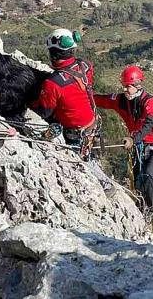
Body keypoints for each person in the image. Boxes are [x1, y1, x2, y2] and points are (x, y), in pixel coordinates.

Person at [31, 28, 112, 190]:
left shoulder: (52, 83)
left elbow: (44, 112)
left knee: (84, 161)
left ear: (54, 54)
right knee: (89, 153)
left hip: (75, 132)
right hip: (92, 123)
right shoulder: (85, 66)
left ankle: (105, 185)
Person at [95, 65, 153, 216]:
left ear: (138, 85)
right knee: (138, 182)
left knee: (149, 173)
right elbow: (103, 100)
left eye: (128, 86)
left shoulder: (151, 103)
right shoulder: (122, 101)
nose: (124, 90)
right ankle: (140, 207)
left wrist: (132, 138)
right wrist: (84, 95)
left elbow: (149, 125)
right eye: (124, 86)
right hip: (138, 147)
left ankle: (149, 211)